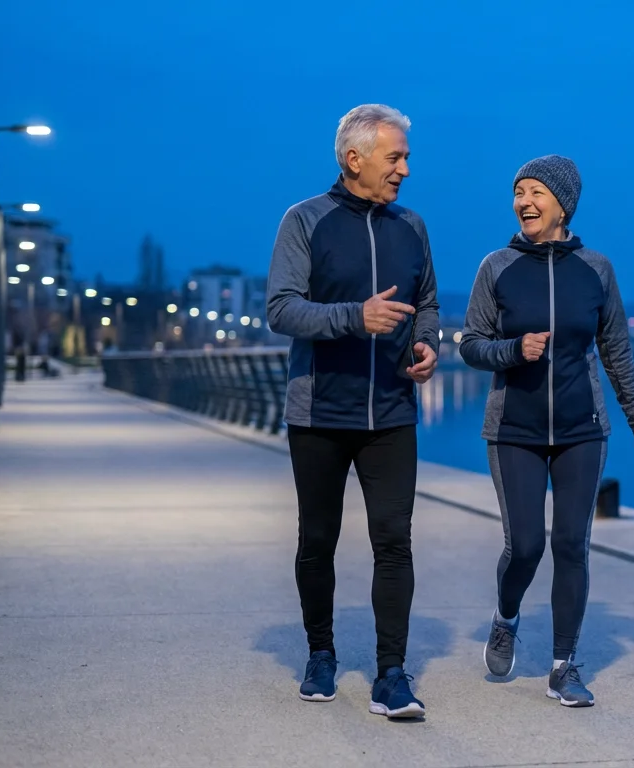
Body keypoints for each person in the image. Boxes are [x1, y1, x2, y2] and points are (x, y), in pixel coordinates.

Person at [459, 155, 634, 708]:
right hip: (514, 428)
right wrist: (513, 350)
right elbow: (471, 343)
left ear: (562, 203)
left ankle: (563, 666)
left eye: (534, 192)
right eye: (518, 192)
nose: (523, 201)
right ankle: (505, 619)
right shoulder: (496, 267)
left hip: (582, 428)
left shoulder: (596, 269)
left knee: (572, 544)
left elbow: (615, 349)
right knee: (525, 546)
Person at [265, 103, 439, 719]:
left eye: (406, 158)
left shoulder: (412, 227)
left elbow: (428, 303)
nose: (405, 170)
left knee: (394, 540)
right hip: (319, 413)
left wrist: (427, 345)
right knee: (319, 539)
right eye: (395, 157)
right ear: (354, 159)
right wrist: (353, 318)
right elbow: (281, 309)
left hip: (392, 413)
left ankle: (392, 673)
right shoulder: (305, 221)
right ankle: (321, 654)